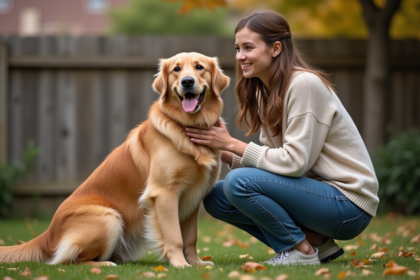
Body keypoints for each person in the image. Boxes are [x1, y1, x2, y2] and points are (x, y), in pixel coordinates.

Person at [184, 11, 379, 266]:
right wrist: (223, 153)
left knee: (237, 183)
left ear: (275, 48)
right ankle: (317, 244)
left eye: (248, 47)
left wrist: (232, 143)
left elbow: (293, 163)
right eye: (237, 48)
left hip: (348, 204)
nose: (239, 55)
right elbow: (274, 169)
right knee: (215, 196)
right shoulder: (264, 93)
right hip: (316, 194)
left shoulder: (304, 84)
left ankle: (299, 250)